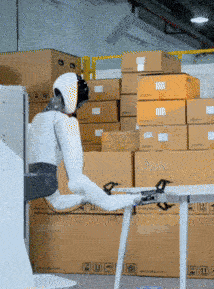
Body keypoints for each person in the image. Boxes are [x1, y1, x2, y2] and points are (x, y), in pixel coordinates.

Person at [26, 72, 141, 211]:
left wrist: (87, 198)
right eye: (79, 103)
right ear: (72, 94)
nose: (78, 108)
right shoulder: (65, 122)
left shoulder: (36, 120)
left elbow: (57, 203)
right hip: (46, 181)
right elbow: (76, 181)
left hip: (29, 182)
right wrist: (110, 200)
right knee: (101, 198)